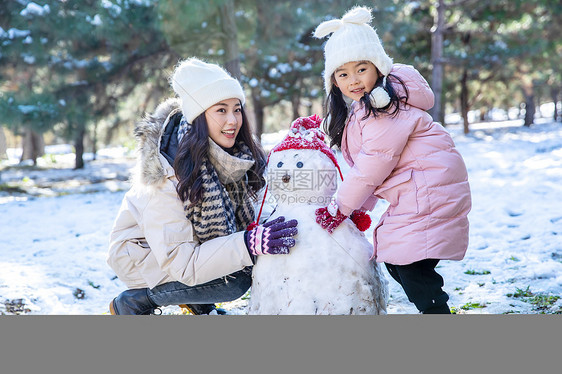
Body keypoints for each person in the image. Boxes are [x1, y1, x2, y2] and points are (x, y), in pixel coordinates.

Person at [107, 58, 298, 315]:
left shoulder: (230, 157)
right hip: (142, 258)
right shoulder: (165, 175)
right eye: (220, 110)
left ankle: (197, 299)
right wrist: (247, 242)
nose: (232, 120)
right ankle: (137, 301)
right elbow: (181, 261)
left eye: (236, 109)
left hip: (184, 250)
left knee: (251, 257)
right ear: (198, 117)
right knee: (236, 279)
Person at [313, 7, 471, 314]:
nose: (353, 80)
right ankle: (434, 310)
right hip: (421, 189)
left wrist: (340, 208)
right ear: (333, 81)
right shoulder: (367, 108)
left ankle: (437, 314)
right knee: (398, 263)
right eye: (343, 74)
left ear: (378, 67)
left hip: (428, 190)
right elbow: (375, 167)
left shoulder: (385, 107)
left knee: (410, 267)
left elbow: (373, 166)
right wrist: (359, 206)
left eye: (361, 69)